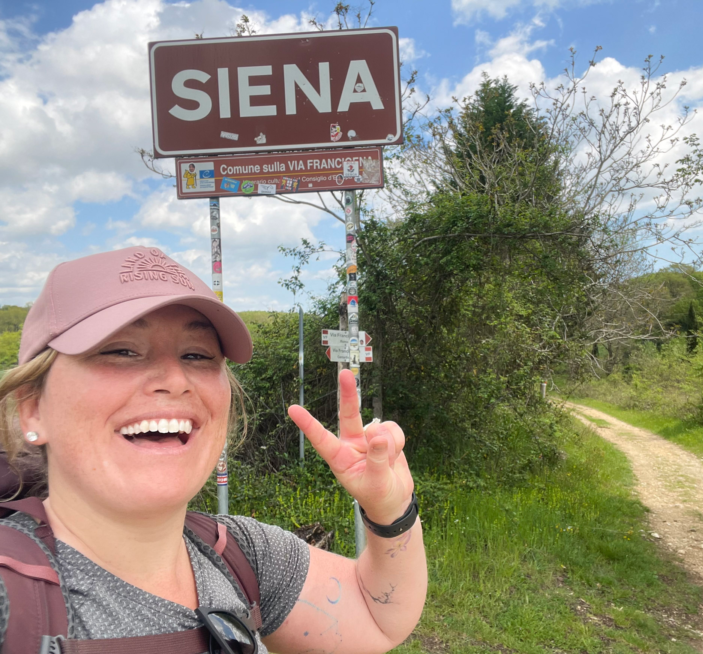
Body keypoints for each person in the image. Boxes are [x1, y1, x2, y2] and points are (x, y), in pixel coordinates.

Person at [0, 246, 427, 653]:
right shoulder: (11, 595)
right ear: (33, 409)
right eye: (121, 350)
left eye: (197, 355)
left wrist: (391, 510)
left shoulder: (240, 554)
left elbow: (376, 616)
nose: (175, 378)